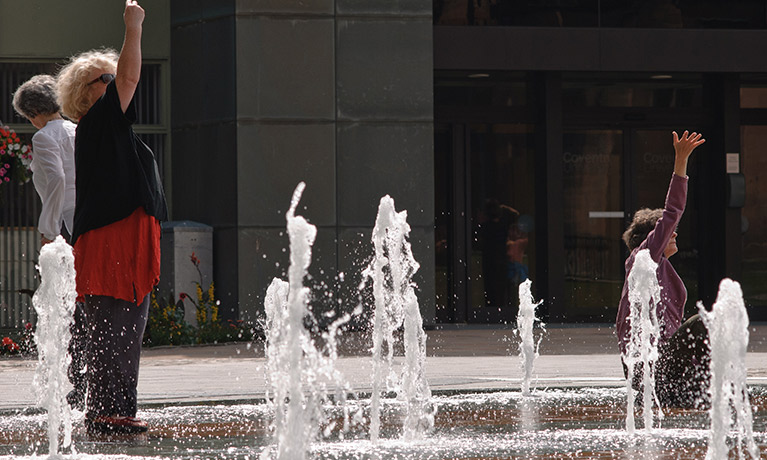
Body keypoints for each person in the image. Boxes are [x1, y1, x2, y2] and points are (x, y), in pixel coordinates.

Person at [56, 0, 167, 434]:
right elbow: (131, 75)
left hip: (127, 238)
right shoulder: (99, 121)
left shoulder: (111, 129)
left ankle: (112, 410)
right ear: (89, 91)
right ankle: (107, 413)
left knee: (124, 333)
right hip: (112, 240)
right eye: (108, 77)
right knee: (115, 331)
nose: (118, 81)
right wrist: (133, 28)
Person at [616, 130, 708, 409]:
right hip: (648, 367)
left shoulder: (660, 269)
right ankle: (706, 392)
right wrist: (681, 162)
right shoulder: (644, 257)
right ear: (652, 237)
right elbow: (672, 212)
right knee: (703, 322)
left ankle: (703, 391)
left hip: (664, 367)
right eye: (670, 233)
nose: (675, 234)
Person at [11, 75, 87, 411]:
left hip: (65, 227)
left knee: (66, 303)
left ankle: (74, 383)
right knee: (82, 301)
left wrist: (48, 226)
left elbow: (55, 178)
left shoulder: (44, 136)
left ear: (33, 113)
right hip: (86, 220)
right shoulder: (76, 129)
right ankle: (84, 380)